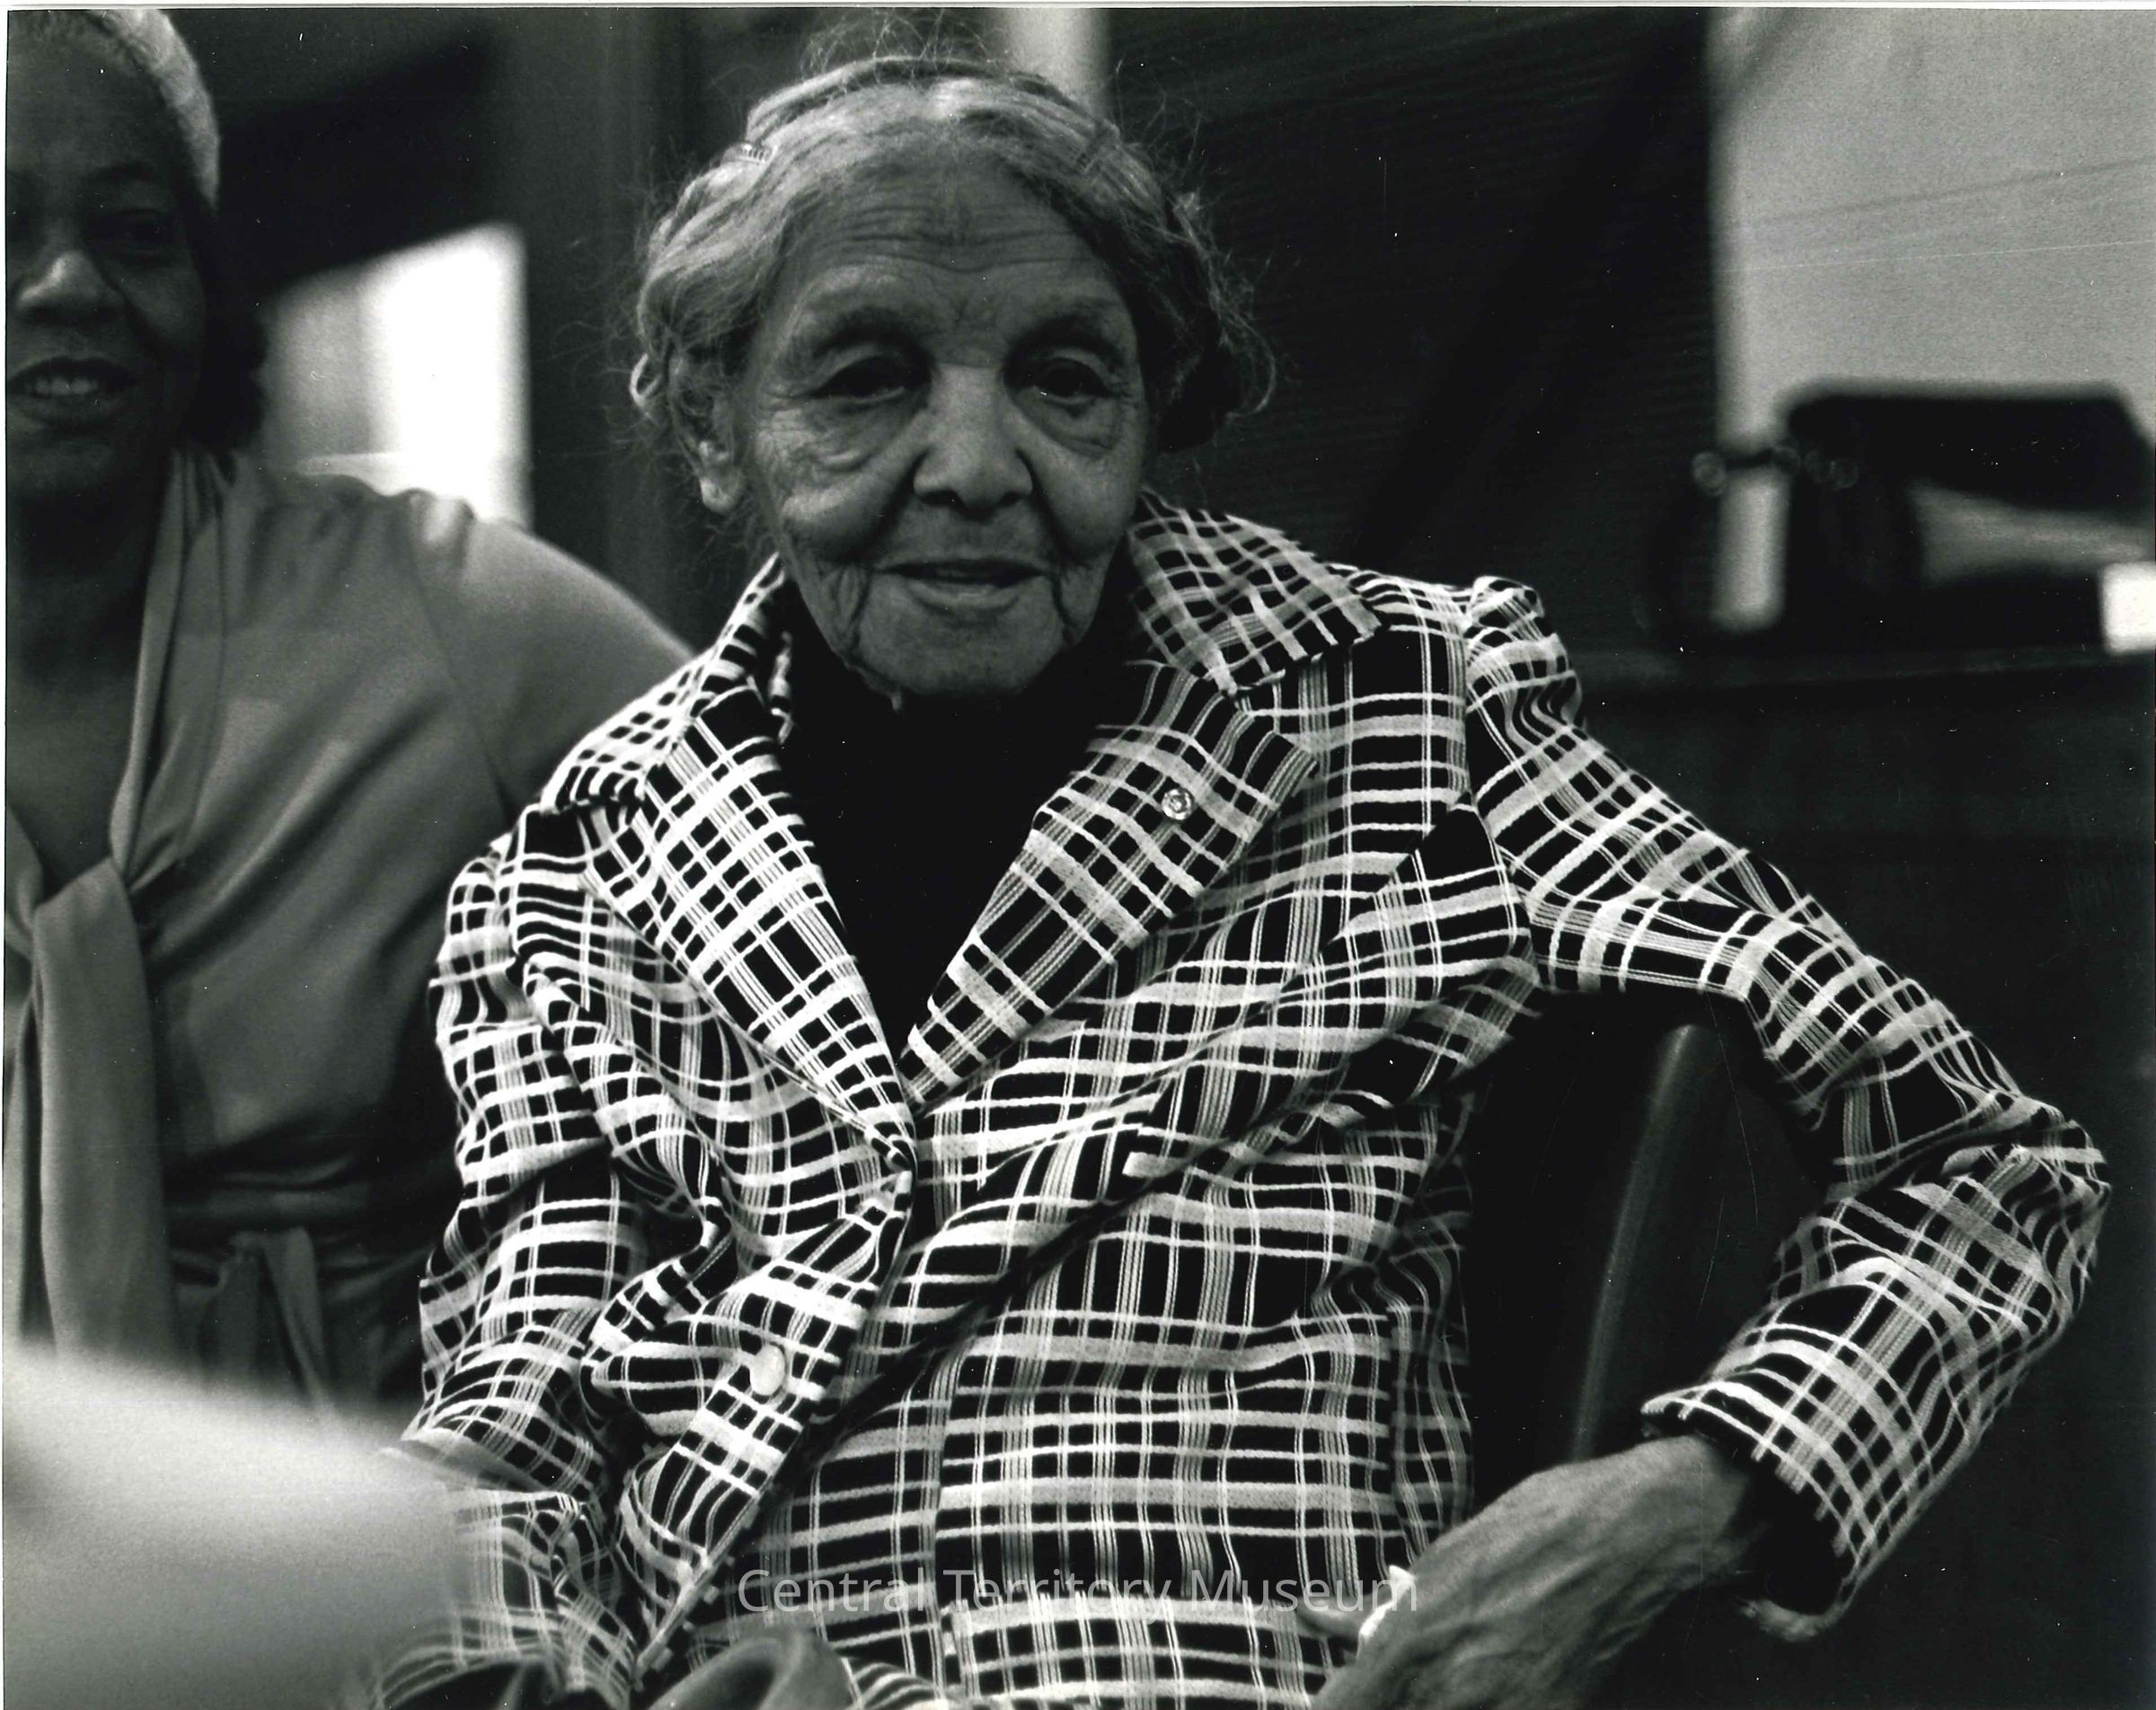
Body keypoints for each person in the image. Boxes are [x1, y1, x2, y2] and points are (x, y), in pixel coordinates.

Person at [377, 49, 2107, 1710]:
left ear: (1155, 409)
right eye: (866, 376)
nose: (974, 466)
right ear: (714, 426)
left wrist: (1676, 1503)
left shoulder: (1403, 714)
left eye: (1066, 378)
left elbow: (1991, 1168)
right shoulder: (577, 865)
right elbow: (517, 1426)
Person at [4, 10, 686, 1419]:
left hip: (378, 1509)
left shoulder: (435, 612)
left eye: (134, 233)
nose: (69, 279)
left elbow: (799, 837)